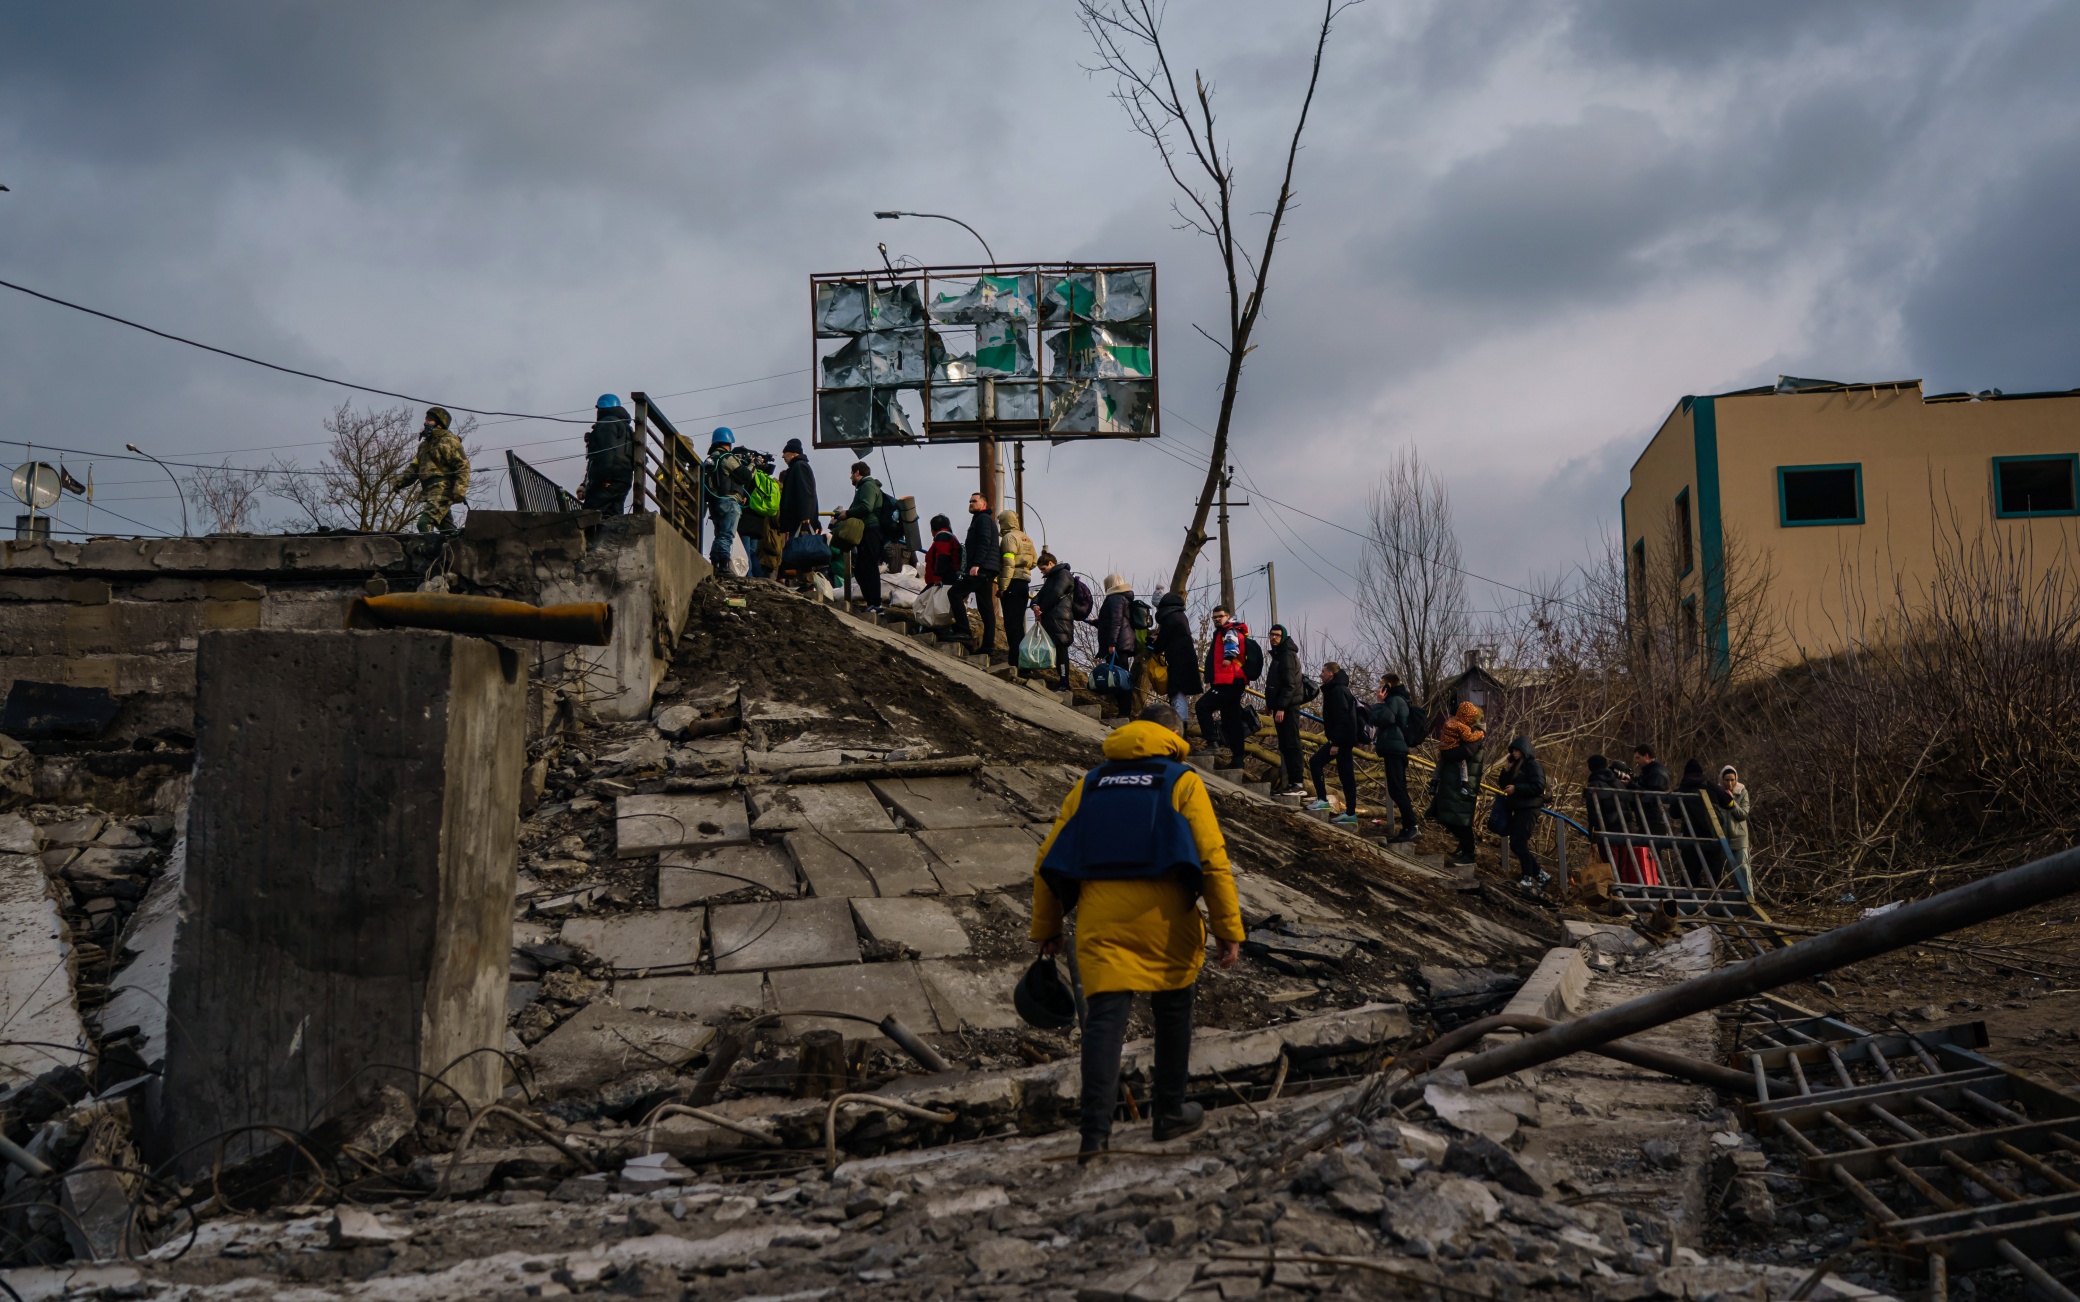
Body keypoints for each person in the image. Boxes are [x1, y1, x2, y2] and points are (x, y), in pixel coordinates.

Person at [1030, 702, 1244, 1159]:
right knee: (1173, 1009)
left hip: (1099, 920)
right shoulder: (1182, 781)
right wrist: (1229, 928)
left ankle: (1093, 1137)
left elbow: (1046, 859)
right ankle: (1168, 1114)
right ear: (1173, 734)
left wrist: (1047, 927)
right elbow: (1212, 857)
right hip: (1166, 921)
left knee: (1105, 1021)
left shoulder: (1090, 783)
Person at [1429, 702, 1485, 868]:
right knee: (1443, 813)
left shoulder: (1475, 734)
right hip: (1452, 781)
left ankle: (1469, 851)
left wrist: (1446, 753)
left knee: (1459, 819)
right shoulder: (1461, 729)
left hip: (1463, 783)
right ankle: (1465, 845)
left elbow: (1465, 753)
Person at [398, 406, 470, 533]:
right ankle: (458, 550)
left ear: (440, 423)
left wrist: (459, 490)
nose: (426, 422)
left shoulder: (448, 440)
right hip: (430, 490)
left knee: (424, 523)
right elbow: (415, 467)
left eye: (430, 420)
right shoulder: (424, 446)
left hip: (442, 489)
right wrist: (401, 482)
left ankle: (429, 552)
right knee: (448, 532)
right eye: (426, 419)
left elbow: (463, 465)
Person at [1307, 662, 1363, 824]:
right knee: (1346, 776)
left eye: (1323, 671)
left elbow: (1342, 718)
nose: (1320, 674)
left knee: (1317, 762)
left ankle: (1328, 803)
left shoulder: (1338, 691)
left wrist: (1336, 743)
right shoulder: (1337, 689)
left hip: (1342, 741)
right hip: (1343, 740)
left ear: (1331, 674)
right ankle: (1347, 811)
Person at [1195, 607, 1250, 769]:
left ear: (1228, 616)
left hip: (1228, 681)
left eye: (1220, 616)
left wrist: (1228, 657)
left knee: (1202, 706)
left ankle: (1213, 742)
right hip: (1232, 682)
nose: (1217, 619)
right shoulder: (1225, 630)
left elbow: (1232, 645)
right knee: (1231, 720)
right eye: (1215, 617)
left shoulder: (1229, 630)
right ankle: (1238, 758)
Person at [1369, 674, 1419, 841]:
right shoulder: (1399, 699)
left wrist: (1378, 703)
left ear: (1388, 686)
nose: (1380, 687)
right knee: (1398, 789)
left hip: (1394, 749)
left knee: (1397, 789)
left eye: (1382, 684)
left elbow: (1380, 719)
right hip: (1394, 748)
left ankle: (1411, 826)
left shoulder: (1395, 700)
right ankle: (1408, 826)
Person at [951, 493, 1001, 660]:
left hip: (982, 568)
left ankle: (964, 632)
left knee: (955, 593)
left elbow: (984, 541)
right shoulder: (981, 519)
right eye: (970, 501)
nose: (970, 503)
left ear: (984, 504)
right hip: (986, 568)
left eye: (974, 501)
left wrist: (976, 564)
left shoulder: (983, 519)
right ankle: (988, 646)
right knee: (986, 608)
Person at [832, 461, 886, 612]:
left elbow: (866, 507)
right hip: (867, 531)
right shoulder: (864, 487)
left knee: (869, 567)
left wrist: (847, 514)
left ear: (857, 473)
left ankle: (876, 604)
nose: (850, 478)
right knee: (862, 569)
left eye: (851, 474)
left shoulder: (867, 485)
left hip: (871, 530)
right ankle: (872, 603)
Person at [1497, 737, 1549, 892]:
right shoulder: (1517, 767)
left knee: (1519, 843)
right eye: (1512, 750)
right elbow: (1504, 785)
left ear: (1524, 751)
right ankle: (1540, 875)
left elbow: (1538, 786)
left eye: (1516, 750)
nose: (1514, 753)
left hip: (1529, 808)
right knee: (1516, 843)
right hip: (1519, 808)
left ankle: (1527, 876)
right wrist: (1506, 770)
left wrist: (1517, 789)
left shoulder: (1533, 765)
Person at [702, 427, 756, 572]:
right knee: (727, 535)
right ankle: (724, 566)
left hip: (714, 503)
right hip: (729, 502)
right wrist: (753, 464)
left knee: (719, 534)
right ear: (728, 442)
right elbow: (745, 475)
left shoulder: (709, 460)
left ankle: (715, 563)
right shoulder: (726, 458)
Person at [1677, 759, 1737, 888]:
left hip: (1690, 837)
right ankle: (1713, 901)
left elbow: (1673, 813)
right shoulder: (1709, 785)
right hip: (1712, 835)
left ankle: (1688, 902)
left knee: (1690, 876)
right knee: (1714, 875)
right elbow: (1730, 803)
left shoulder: (1682, 788)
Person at [1262, 625, 1306, 796]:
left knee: (1292, 744)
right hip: (1281, 707)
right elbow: (1275, 684)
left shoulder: (1287, 655)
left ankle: (1297, 783)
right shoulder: (1279, 654)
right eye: (1271, 634)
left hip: (1288, 708)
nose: (1273, 638)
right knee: (1285, 745)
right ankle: (1291, 784)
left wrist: (1281, 707)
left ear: (1284, 637)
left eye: (1277, 635)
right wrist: (1270, 703)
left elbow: (1289, 685)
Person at [578, 395, 634, 516]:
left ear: (601, 408)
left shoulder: (607, 423)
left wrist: (604, 479)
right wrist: (585, 484)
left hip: (607, 479)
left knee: (589, 515)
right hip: (623, 480)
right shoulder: (626, 428)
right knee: (613, 518)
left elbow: (606, 453)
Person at [997, 509, 1038, 672]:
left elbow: (1008, 564)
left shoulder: (1009, 538)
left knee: (1011, 624)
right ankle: (1021, 660)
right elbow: (1034, 562)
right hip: (1024, 583)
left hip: (1012, 582)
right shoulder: (1027, 539)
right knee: (1019, 624)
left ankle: (1016, 661)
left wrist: (1003, 587)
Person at [1152, 591, 1201, 722]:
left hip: (1178, 662)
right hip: (1185, 660)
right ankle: (1180, 723)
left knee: (1177, 693)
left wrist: (1154, 646)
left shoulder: (1170, 617)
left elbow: (1163, 640)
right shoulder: (1179, 615)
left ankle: (1180, 725)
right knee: (1179, 694)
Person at [1095, 574, 1137, 716]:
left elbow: (1116, 622)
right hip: (1123, 642)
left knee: (1120, 679)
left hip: (1118, 644)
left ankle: (1124, 711)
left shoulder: (1115, 598)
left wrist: (1112, 643)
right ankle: (1124, 710)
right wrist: (1096, 622)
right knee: (1121, 677)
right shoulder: (1122, 598)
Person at [1033, 552, 1077, 689]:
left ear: (1051, 563)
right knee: (1058, 652)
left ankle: (1064, 683)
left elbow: (1055, 594)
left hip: (1061, 619)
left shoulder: (1063, 574)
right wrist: (1034, 605)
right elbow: (1040, 595)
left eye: (1043, 568)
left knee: (1062, 652)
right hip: (1054, 619)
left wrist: (1041, 608)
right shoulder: (1052, 577)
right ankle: (1062, 681)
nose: (1042, 572)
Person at [775, 438, 819, 540]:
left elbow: (806, 491)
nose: (783, 456)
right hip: (797, 521)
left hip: (800, 521)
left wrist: (805, 515)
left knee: (799, 550)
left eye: (785, 452)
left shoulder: (799, 466)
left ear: (794, 453)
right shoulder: (797, 466)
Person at [1721, 765, 1753, 898]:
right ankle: (1740, 898)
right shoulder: (1717, 792)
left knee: (1744, 869)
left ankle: (1750, 898)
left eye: (1732, 780)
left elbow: (1743, 814)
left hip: (1739, 838)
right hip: (1724, 838)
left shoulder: (1742, 792)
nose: (1730, 783)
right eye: (1727, 780)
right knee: (1732, 872)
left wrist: (1732, 803)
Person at [924, 515, 963, 588]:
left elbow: (943, 556)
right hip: (945, 580)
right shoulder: (948, 536)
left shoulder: (942, 536)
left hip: (944, 581)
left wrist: (938, 577)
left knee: (922, 599)